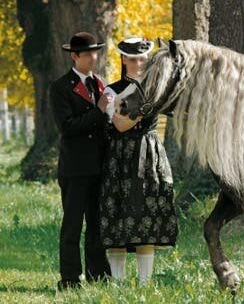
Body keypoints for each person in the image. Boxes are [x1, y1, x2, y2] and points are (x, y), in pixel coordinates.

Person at [99, 37, 178, 286]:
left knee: (147, 216)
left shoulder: (157, 86)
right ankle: (119, 285)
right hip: (120, 157)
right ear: (123, 59)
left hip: (150, 155)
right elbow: (121, 124)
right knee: (119, 217)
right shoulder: (112, 90)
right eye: (133, 59)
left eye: (143, 59)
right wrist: (145, 105)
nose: (138, 63)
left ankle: (145, 285)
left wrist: (141, 103)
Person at [49, 32, 112, 290]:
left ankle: (99, 276)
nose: (93, 57)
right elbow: (67, 127)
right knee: (72, 227)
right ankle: (70, 280)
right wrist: (98, 111)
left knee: (97, 226)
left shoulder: (101, 84)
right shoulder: (60, 87)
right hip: (75, 168)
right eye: (87, 53)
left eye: (95, 52)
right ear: (74, 56)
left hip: (99, 166)